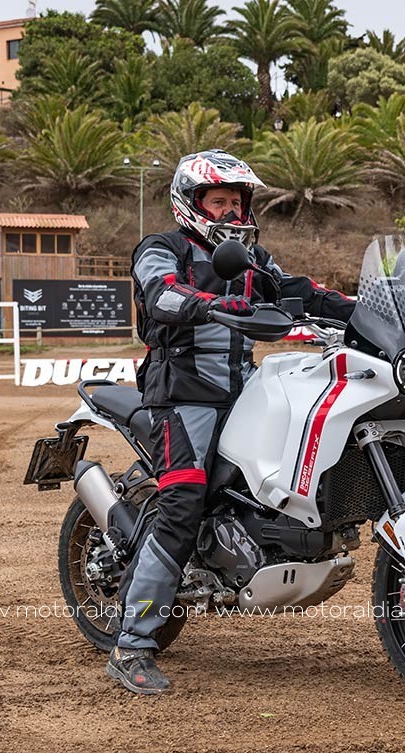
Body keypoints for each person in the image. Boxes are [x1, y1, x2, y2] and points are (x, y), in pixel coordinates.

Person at [107, 149, 355, 694]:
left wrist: (365, 311)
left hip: (243, 392)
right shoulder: (161, 248)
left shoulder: (251, 258)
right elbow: (161, 293)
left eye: (237, 202)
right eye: (218, 201)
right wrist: (205, 303)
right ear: (192, 203)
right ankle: (133, 644)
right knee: (182, 503)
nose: (229, 211)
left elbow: (301, 292)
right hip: (179, 396)